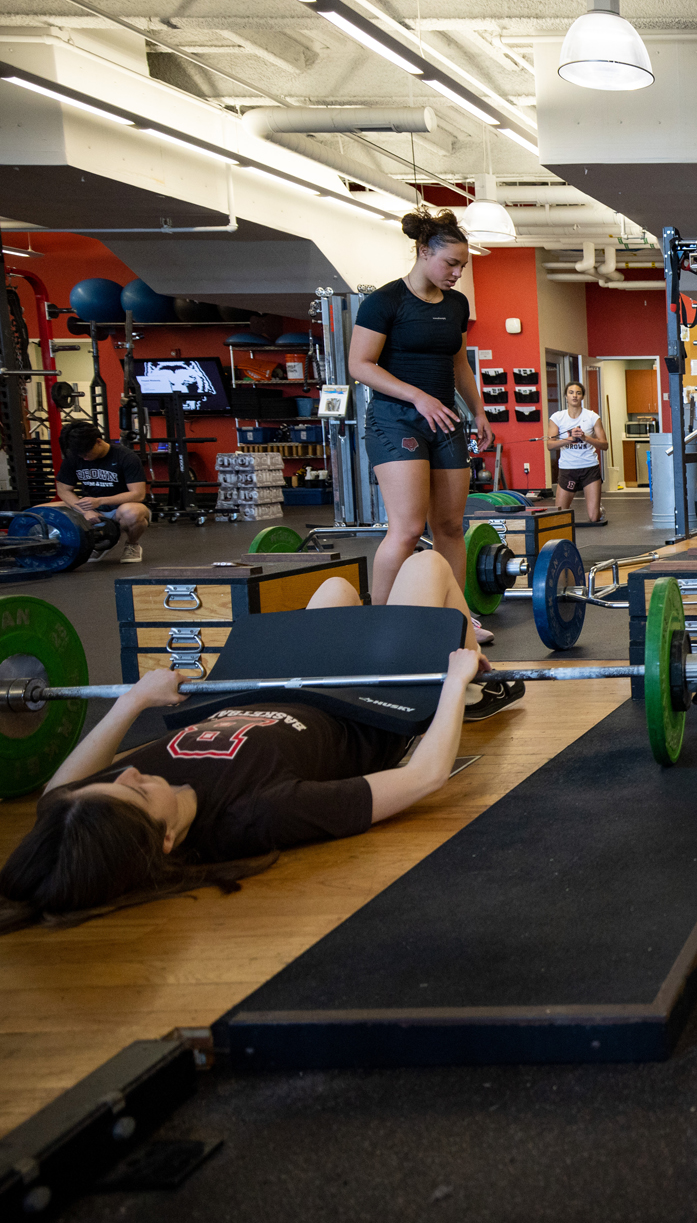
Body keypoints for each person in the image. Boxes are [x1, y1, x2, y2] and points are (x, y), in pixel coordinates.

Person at [0, 550, 517, 928]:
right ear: (165, 842)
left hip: (280, 681)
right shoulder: (253, 814)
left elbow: (56, 797)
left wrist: (132, 701)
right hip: (368, 706)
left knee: (335, 589)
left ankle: (463, 673)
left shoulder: (109, 810)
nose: (129, 772)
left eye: (115, 782)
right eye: (134, 790)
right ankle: (476, 689)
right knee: (427, 568)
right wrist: (451, 685)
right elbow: (423, 778)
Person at [350, 208, 494, 643]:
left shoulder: (456, 304)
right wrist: (417, 395)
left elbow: (458, 363)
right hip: (396, 419)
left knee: (450, 526)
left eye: (462, 266)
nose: (457, 273)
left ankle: (454, 618)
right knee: (409, 527)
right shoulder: (385, 301)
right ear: (423, 251)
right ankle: (382, 622)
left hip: (445, 419)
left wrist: (479, 411)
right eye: (450, 263)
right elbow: (359, 365)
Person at [50, 419, 148, 563]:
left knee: (133, 513)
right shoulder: (74, 457)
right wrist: (85, 511)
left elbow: (138, 494)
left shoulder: (126, 457)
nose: (85, 458)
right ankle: (99, 544)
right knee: (41, 512)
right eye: (81, 455)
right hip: (90, 508)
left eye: (87, 453)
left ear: (98, 442)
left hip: (119, 509)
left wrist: (100, 501)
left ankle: (132, 545)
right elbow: (63, 490)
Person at [547, 382, 607, 524]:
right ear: (566, 396)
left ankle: (599, 510)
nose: (574, 395)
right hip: (568, 469)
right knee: (559, 516)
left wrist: (585, 437)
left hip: (589, 468)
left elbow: (605, 445)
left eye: (578, 393)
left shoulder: (592, 417)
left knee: (594, 517)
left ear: (582, 397)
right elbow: (550, 445)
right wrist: (570, 439)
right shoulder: (557, 417)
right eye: (571, 392)